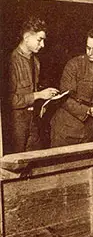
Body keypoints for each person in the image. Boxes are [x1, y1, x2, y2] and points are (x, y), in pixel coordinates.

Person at [5, 16, 59, 153]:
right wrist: (38, 95)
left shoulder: (35, 61)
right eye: (40, 40)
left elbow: (32, 91)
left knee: (34, 161)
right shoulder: (11, 62)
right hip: (16, 126)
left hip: (33, 123)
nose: (42, 45)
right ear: (27, 37)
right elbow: (8, 101)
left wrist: (42, 102)